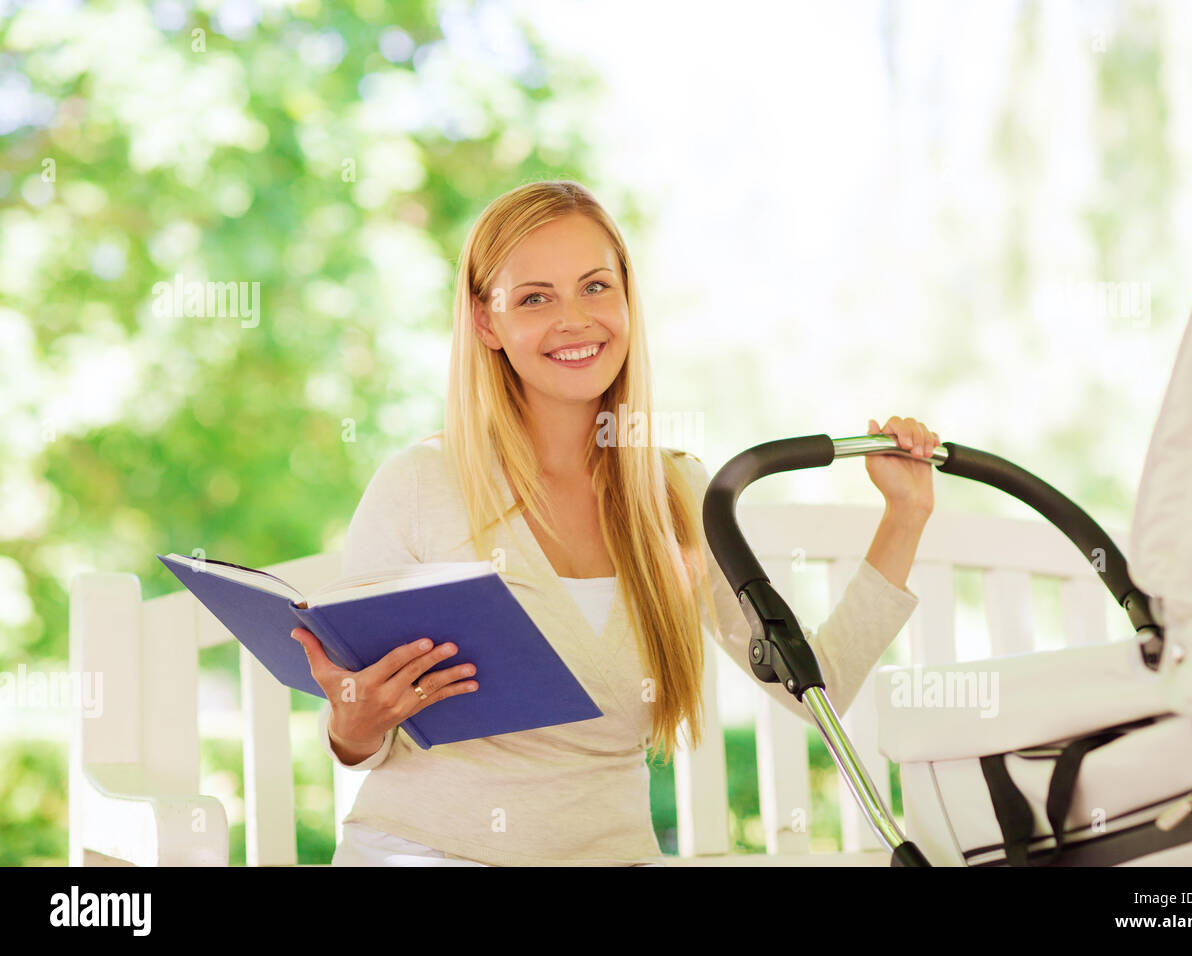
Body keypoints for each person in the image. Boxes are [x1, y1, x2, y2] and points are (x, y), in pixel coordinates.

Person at [290, 179, 940, 866]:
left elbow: (819, 691)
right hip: (422, 851)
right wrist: (354, 721)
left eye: (595, 287)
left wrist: (906, 515)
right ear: (487, 322)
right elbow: (360, 737)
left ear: (626, 300)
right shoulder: (420, 485)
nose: (574, 320)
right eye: (535, 297)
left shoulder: (677, 494)